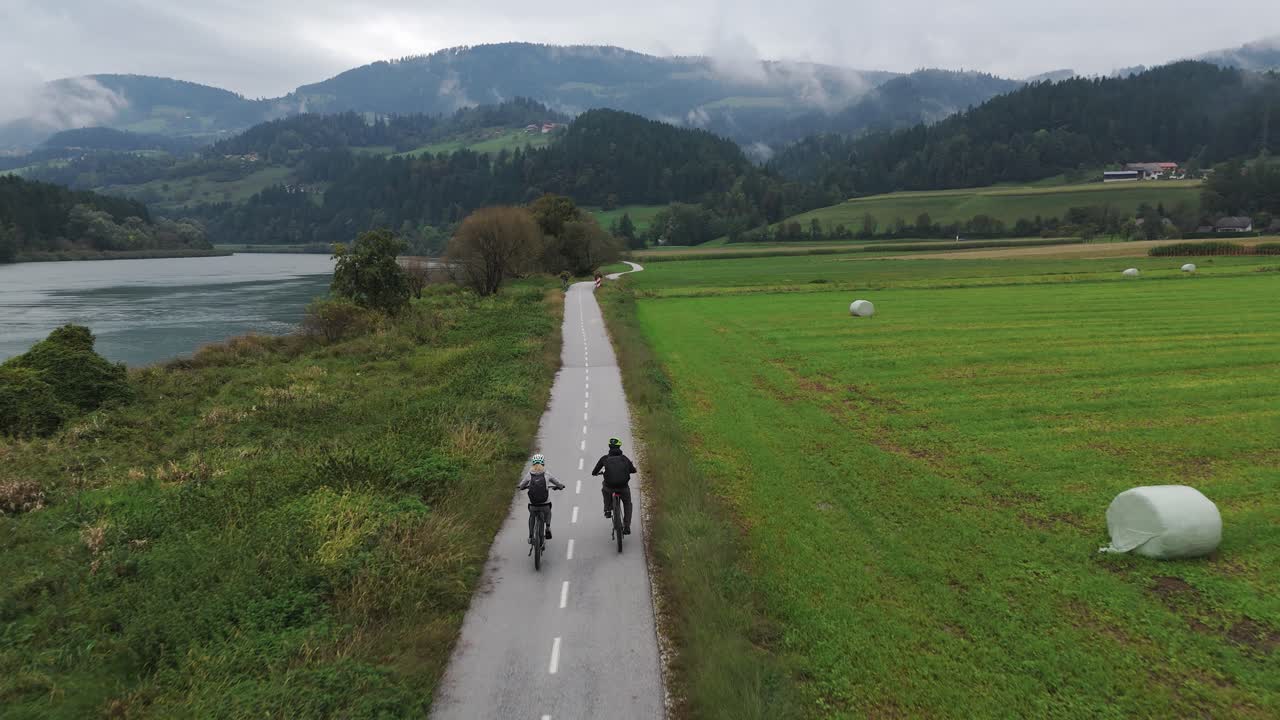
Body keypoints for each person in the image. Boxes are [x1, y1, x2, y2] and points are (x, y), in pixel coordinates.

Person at [591, 437, 637, 534]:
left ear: (609, 447)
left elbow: (594, 472)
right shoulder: (624, 458)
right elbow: (633, 470)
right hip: (623, 487)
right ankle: (627, 526)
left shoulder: (604, 459)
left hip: (609, 487)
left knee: (604, 489)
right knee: (627, 504)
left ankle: (607, 509)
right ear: (619, 446)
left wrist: (597, 473)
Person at [518, 454, 565, 543]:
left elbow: (521, 486)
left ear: (533, 463)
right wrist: (560, 486)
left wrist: (522, 487)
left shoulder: (529, 474)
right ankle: (547, 527)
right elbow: (557, 483)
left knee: (532, 516)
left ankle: (531, 536)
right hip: (545, 504)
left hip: (533, 505)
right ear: (543, 463)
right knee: (548, 512)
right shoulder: (547, 473)